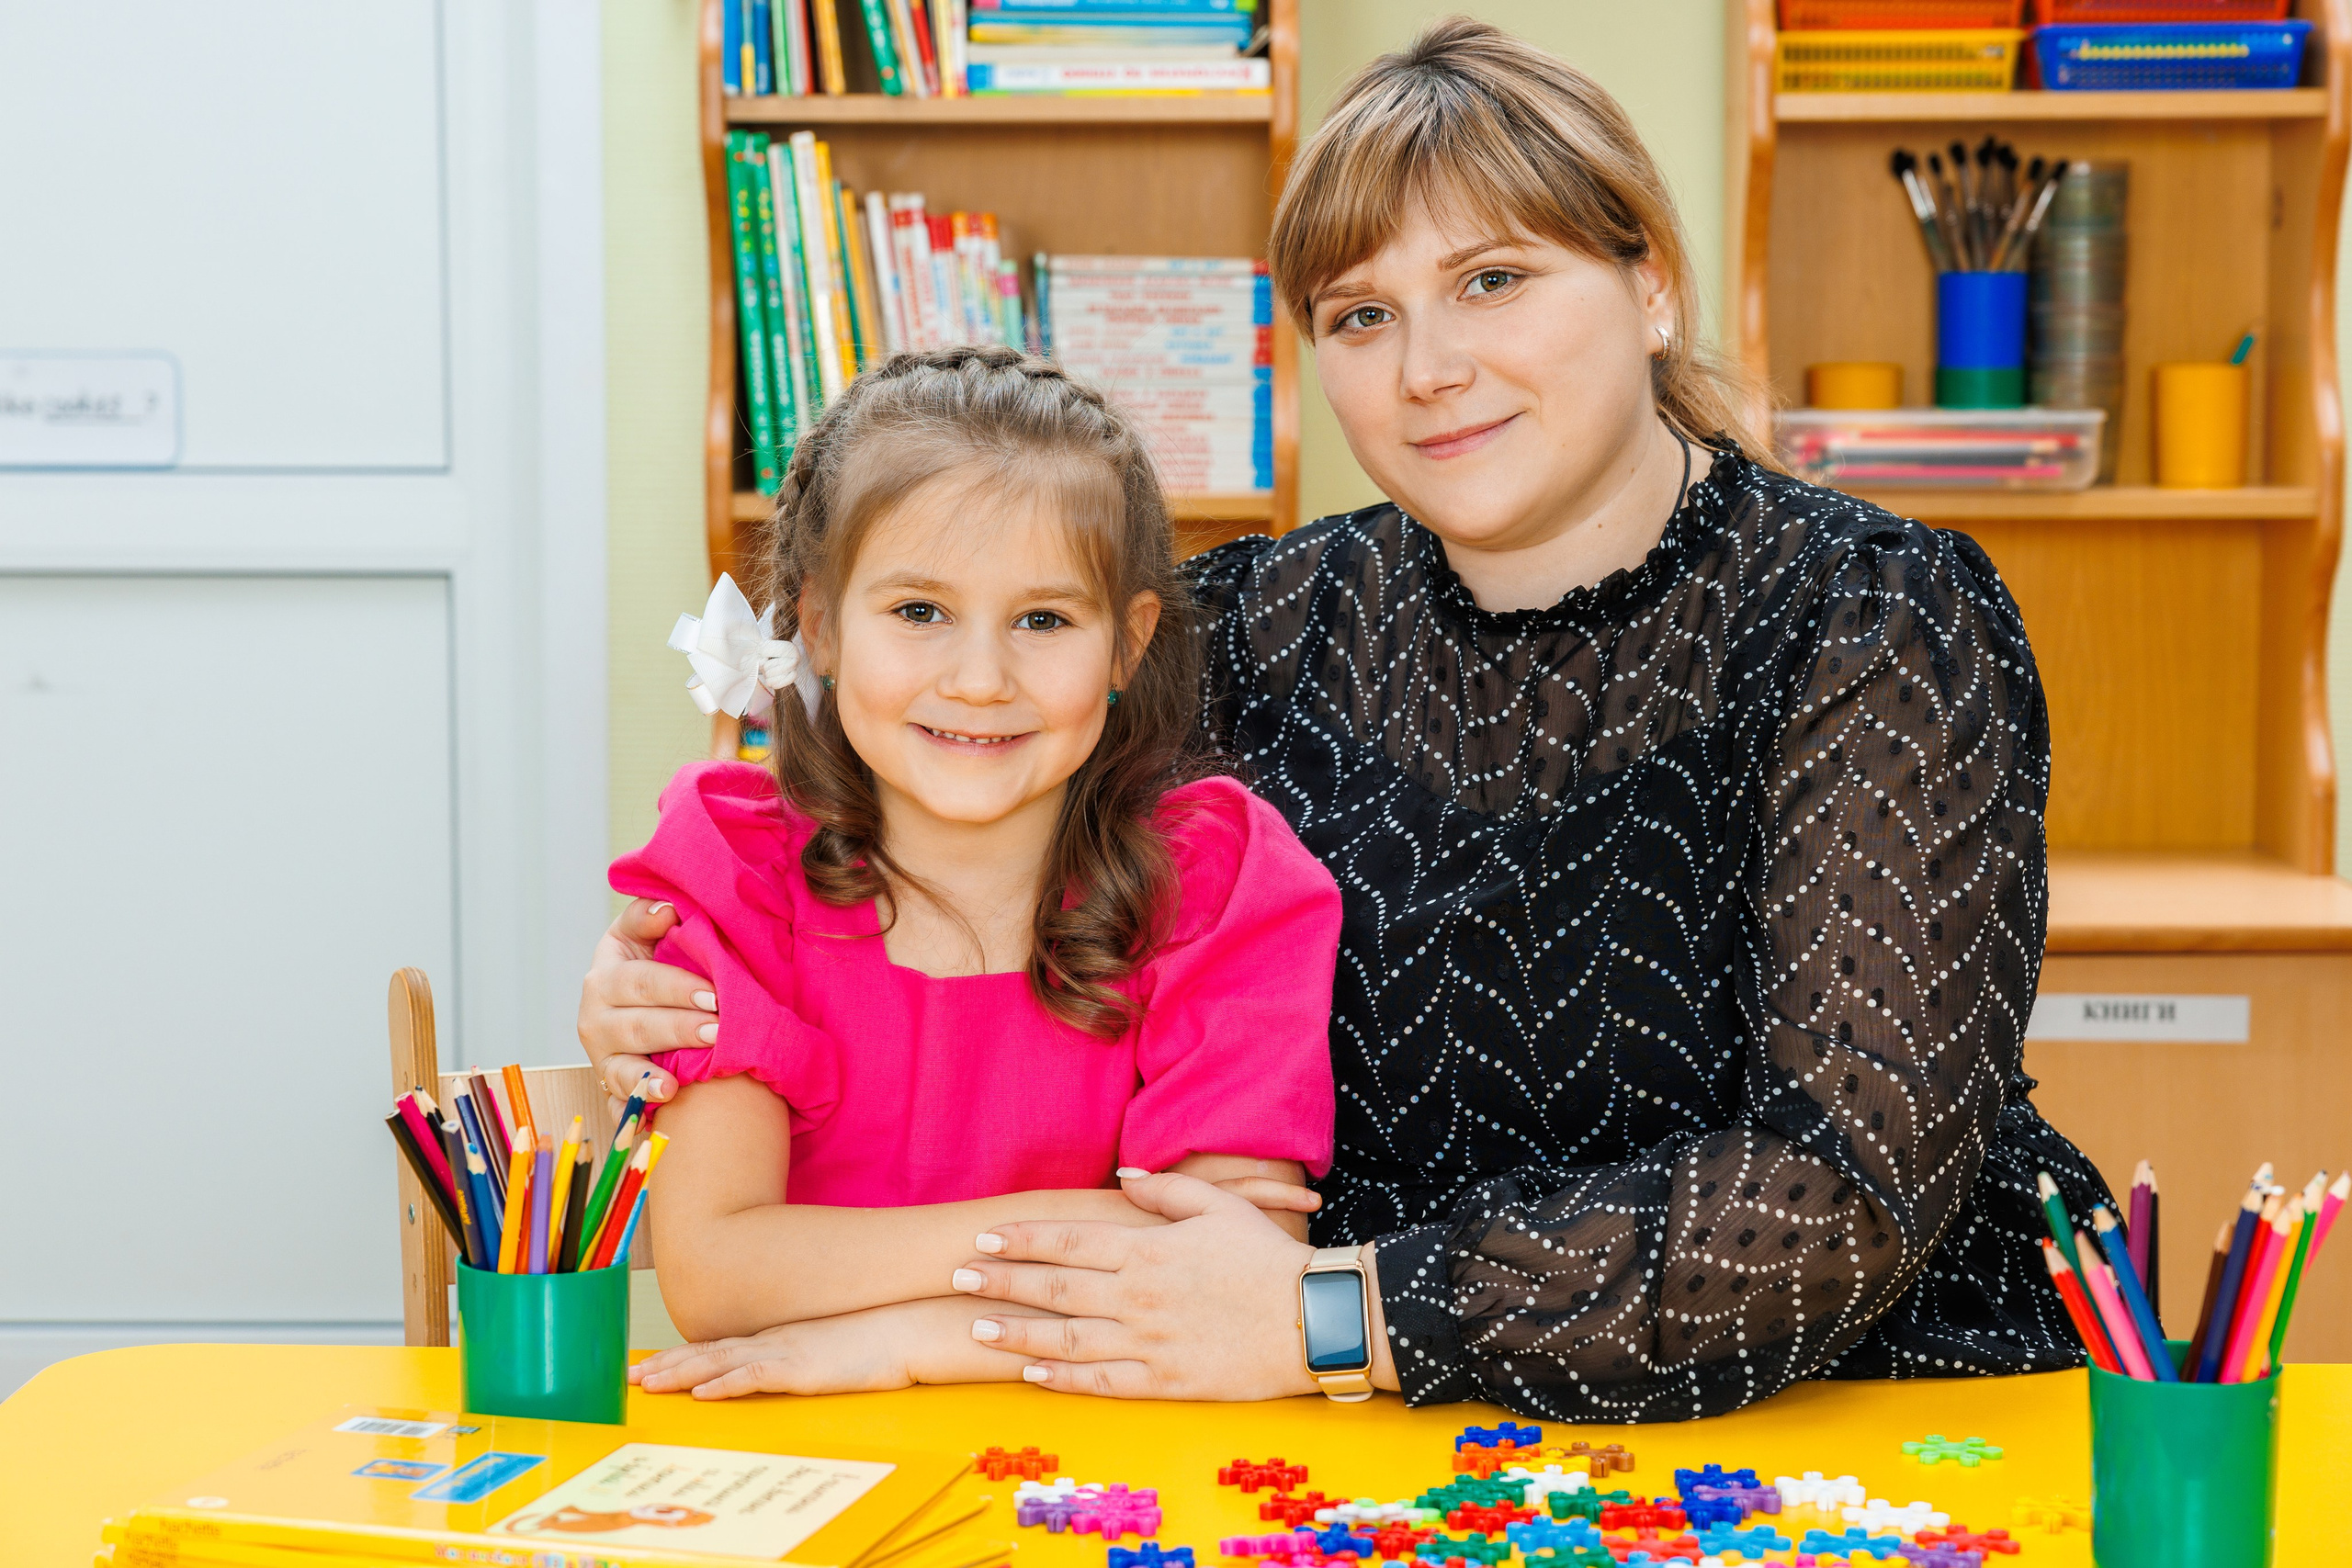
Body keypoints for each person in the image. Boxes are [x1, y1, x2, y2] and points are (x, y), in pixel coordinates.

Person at [582, 19, 2109, 1419]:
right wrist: (677, 985)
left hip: (1883, 1406)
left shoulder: (1879, 611)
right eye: (1361, 313)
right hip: (1363, 1433)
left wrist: (1339, 1314)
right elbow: (938, 857)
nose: (1430, 369)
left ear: (1651, 283)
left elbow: (1845, 1190)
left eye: (1493, 281)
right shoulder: (1231, 624)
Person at [616, 345, 1342, 1399]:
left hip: (1126, 1464)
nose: (978, 679)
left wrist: (897, 1341)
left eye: (1043, 620)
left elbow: (1228, 1271)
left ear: (1126, 644)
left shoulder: (1218, 879)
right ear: (818, 624)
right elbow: (717, 1275)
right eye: (919, 612)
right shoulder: (734, 866)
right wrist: (1093, 1231)